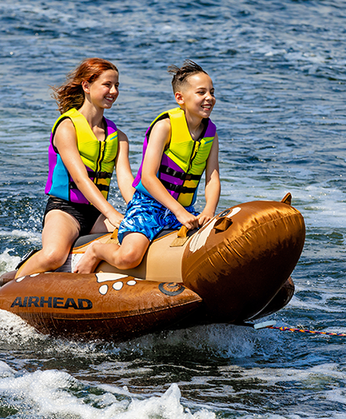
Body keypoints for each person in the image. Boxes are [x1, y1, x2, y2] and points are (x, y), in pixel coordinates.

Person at [75, 60, 220, 274]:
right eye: (201, 92)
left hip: (184, 210)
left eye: (212, 92)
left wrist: (209, 210)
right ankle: (97, 250)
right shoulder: (165, 126)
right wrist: (178, 211)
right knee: (129, 257)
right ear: (180, 98)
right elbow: (147, 177)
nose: (209, 98)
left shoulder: (211, 134)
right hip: (148, 207)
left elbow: (213, 178)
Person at [15, 58, 133, 278]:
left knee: (135, 238)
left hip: (97, 213)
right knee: (53, 256)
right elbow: (81, 179)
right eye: (107, 85)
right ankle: (13, 281)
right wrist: (111, 213)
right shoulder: (67, 127)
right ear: (86, 86)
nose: (114, 91)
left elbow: (126, 180)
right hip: (65, 210)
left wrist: (140, 211)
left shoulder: (119, 137)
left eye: (117, 86)